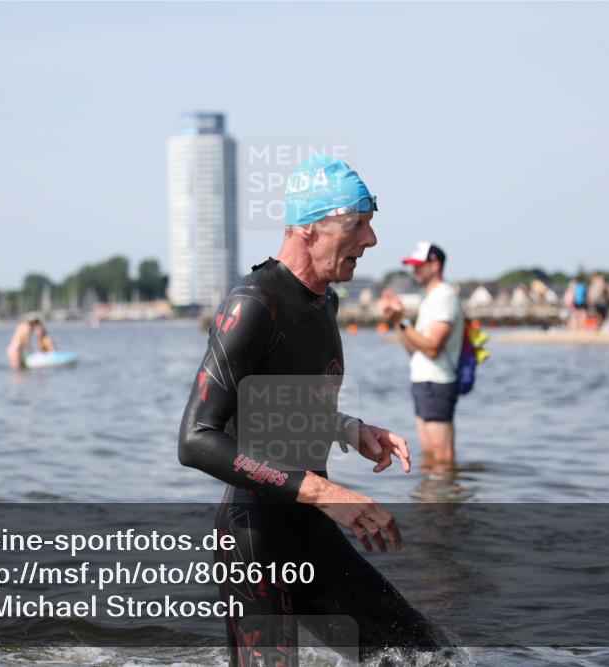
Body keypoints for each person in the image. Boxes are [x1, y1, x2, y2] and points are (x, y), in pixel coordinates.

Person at [178, 156, 447, 665]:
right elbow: (197, 438)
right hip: (256, 540)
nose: (371, 239)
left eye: (370, 223)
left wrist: (349, 429)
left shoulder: (324, 302)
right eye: (357, 224)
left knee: (429, 658)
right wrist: (327, 493)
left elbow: (279, 405)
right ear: (309, 227)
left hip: (313, 533)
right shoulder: (252, 304)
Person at [378, 243, 464, 472]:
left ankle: (446, 493)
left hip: (438, 382)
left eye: (419, 265)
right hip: (425, 381)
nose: (414, 270)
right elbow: (414, 349)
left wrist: (402, 320)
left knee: (442, 456)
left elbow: (433, 348)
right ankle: (433, 494)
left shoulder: (444, 296)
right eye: (412, 265)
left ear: (435, 265)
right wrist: (397, 319)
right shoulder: (431, 297)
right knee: (430, 454)